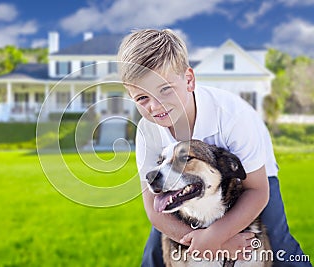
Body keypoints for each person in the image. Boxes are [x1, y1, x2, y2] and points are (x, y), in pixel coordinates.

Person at [117, 29, 311, 266]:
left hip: (252, 175)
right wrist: (208, 242)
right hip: (178, 182)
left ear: (189, 80)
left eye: (165, 89)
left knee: (278, 245)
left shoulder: (232, 116)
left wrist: (216, 235)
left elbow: (257, 191)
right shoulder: (148, 131)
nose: (156, 105)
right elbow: (154, 209)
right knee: (155, 253)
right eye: (142, 98)